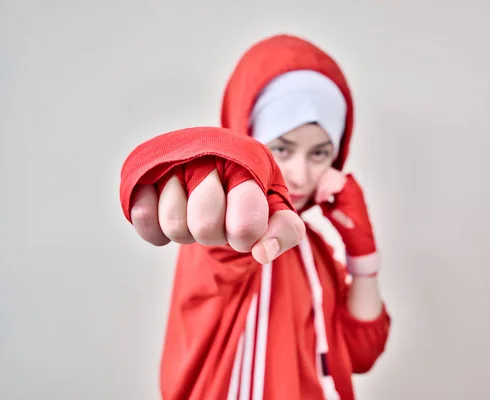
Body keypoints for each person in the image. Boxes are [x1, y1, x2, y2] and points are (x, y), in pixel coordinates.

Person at [119, 34, 391, 400]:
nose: (300, 175)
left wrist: (361, 251)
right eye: (281, 148)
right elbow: (227, 239)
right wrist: (217, 163)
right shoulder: (223, 240)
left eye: (319, 153)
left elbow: (360, 354)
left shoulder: (316, 249)